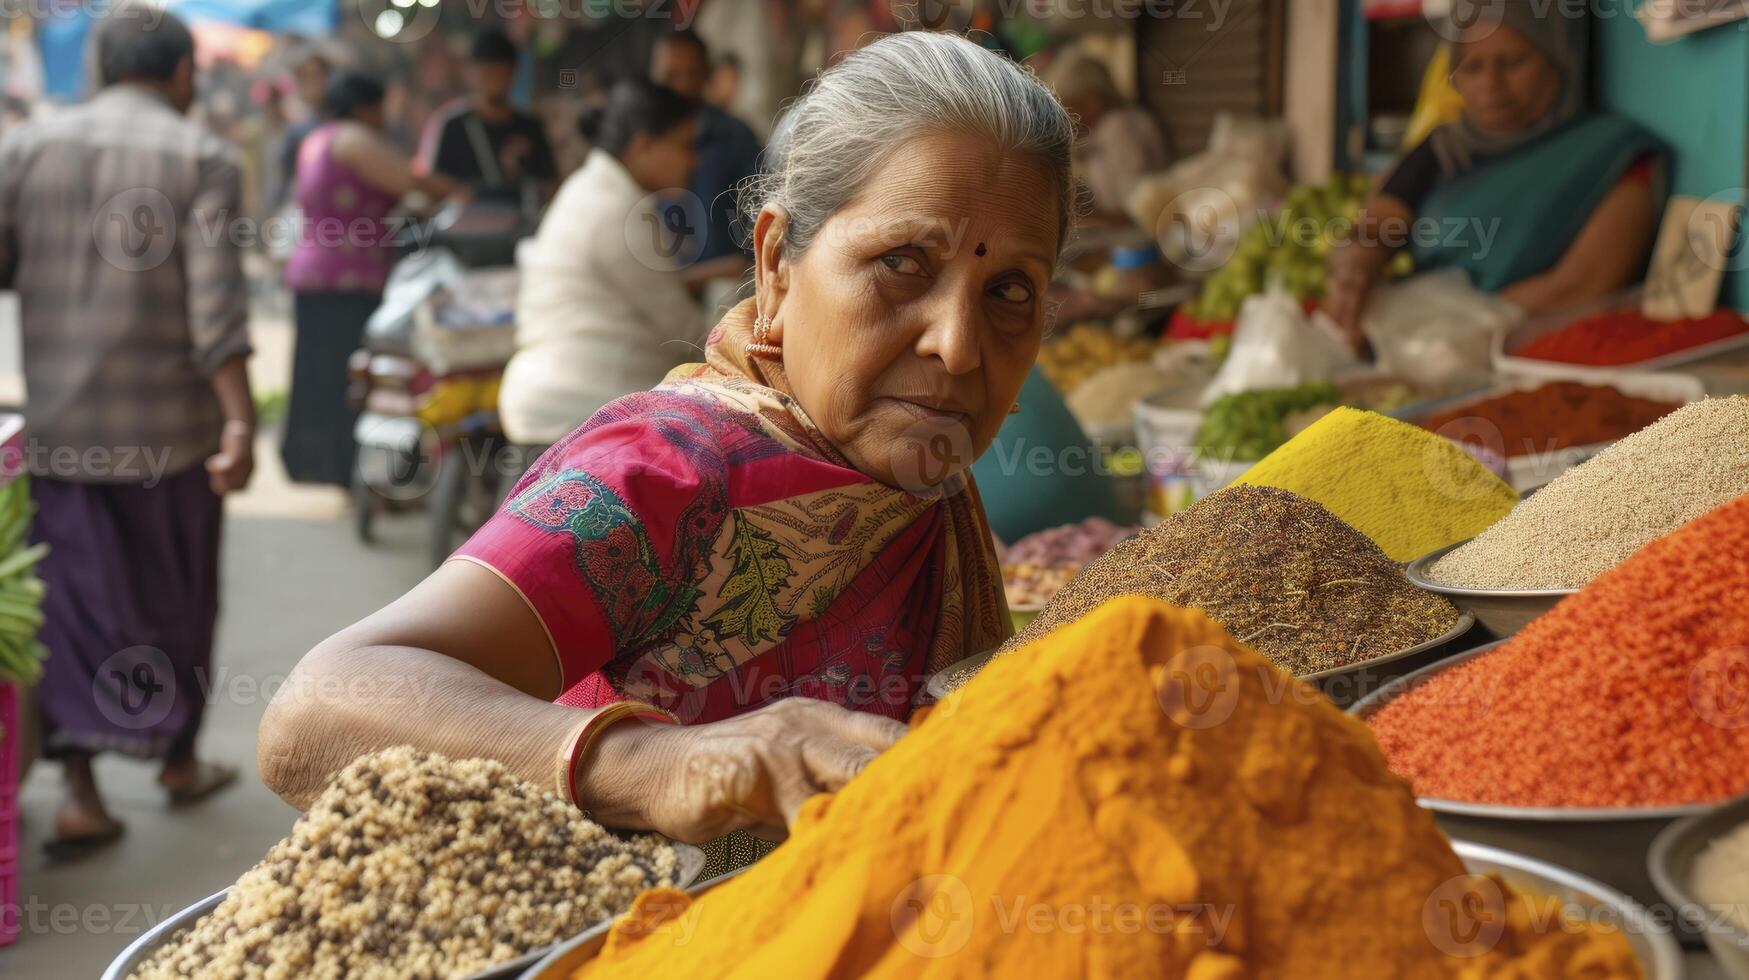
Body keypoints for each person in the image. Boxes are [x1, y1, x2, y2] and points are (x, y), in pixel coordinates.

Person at [259, 32, 1073, 874]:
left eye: (1009, 290)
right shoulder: (671, 474)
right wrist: (652, 763)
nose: (958, 344)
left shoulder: (916, 482)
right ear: (775, 268)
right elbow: (317, 710)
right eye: (902, 263)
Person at [0, 13, 253, 858]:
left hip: (66, 433)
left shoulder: (26, 149)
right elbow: (216, 309)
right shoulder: (201, 156)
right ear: (183, 71)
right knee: (175, 599)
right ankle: (176, 759)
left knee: (70, 607)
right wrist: (241, 419)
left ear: (103, 68)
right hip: (171, 442)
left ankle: (81, 794)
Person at [1325, 0, 1666, 344]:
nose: (1491, 84)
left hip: (1529, 355)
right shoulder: (1443, 148)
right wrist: (1356, 263)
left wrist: (1444, 327)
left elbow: (1579, 286)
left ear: (1562, 56)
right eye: (1472, 67)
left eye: (1513, 62)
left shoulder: (1613, 156)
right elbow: (1379, 224)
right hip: (1422, 350)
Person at [280, 73, 466, 488]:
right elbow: (410, 180)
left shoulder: (318, 138)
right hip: (350, 277)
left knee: (319, 373)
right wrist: (460, 190)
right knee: (351, 378)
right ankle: (347, 469)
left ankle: (317, 462)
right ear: (367, 106)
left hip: (313, 272)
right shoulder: (355, 138)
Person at [501, 79, 704, 455]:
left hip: (547, 399)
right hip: (584, 406)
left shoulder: (592, 188)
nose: (694, 161)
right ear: (643, 144)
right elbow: (685, 332)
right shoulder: (620, 210)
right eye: (684, 145)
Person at [649, 29, 762, 268]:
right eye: (671, 75)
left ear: (707, 76)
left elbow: (760, 209)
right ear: (653, 76)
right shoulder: (641, 144)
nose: (681, 86)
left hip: (725, 286)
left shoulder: (734, 136)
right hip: (654, 281)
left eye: (692, 74)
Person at [419, 27, 557, 209]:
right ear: (470, 72)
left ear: (513, 72)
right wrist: (462, 192)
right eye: (486, 73)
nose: (494, 81)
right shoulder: (452, 124)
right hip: (468, 227)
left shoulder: (531, 126)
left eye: (500, 73)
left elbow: (551, 184)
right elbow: (432, 180)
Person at [1045, 53, 1169, 221]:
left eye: (1069, 109)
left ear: (1091, 102)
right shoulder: (1100, 132)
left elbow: (1136, 211)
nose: (1066, 121)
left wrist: (1090, 214)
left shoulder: (1118, 126)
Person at [270, 48, 330, 211]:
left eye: (318, 75)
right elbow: (284, 174)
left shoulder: (342, 118)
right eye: (306, 77)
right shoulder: (297, 126)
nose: (313, 83)